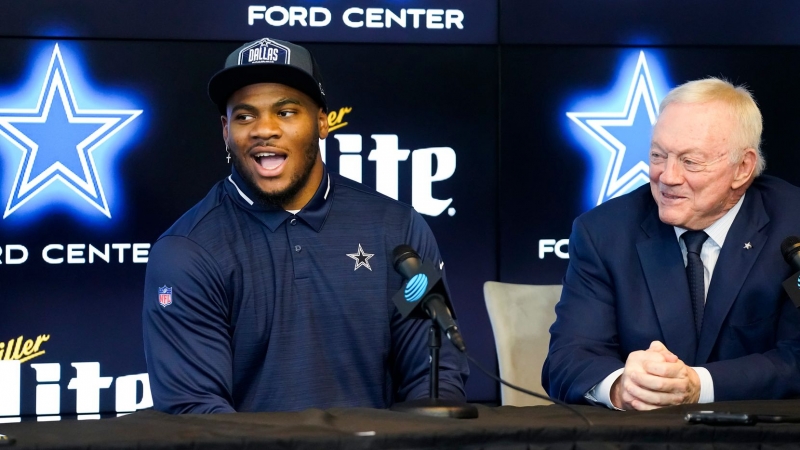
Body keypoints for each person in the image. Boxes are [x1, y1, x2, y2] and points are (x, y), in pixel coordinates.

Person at [142, 37, 468, 414]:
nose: (264, 129)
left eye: (285, 112)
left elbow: (435, 375)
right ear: (226, 131)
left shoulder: (399, 230)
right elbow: (195, 411)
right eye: (245, 116)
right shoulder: (185, 252)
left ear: (322, 122)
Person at [543, 77, 800, 410]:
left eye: (690, 162)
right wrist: (621, 387)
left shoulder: (792, 226)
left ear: (742, 168)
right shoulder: (604, 233)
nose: (667, 177)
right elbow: (567, 359)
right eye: (658, 155)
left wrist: (699, 386)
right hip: (645, 434)